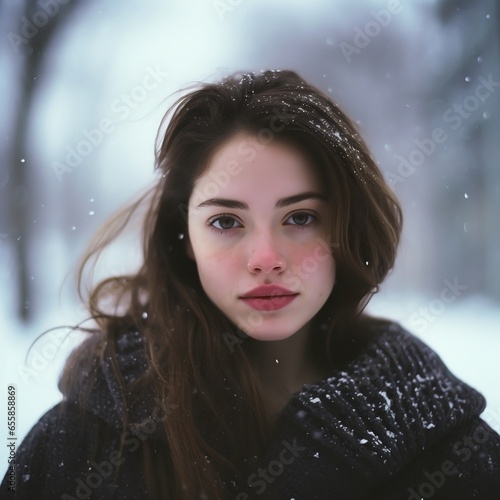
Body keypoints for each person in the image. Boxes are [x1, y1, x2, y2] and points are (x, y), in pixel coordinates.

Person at [2, 70, 499, 500]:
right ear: (185, 238)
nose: (266, 260)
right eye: (226, 222)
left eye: (301, 217)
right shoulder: (77, 446)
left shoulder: (452, 454)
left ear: (348, 227)